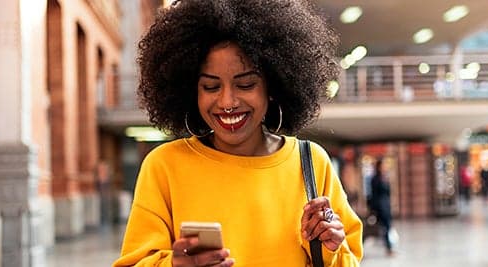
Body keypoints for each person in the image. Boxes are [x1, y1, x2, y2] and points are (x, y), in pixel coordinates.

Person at [112, 1, 363, 266]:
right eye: (210, 87)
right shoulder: (164, 166)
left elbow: (347, 258)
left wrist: (329, 248)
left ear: (274, 85)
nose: (227, 102)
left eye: (246, 84)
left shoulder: (311, 162)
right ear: (190, 90)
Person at [367, 158, 394, 255]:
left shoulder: (384, 177)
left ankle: (389, 247)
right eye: (383, 165)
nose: (384, 167)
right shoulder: (375, 179)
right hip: (380, 207)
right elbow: (373, 194)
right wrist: (373, 210)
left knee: (387, 227)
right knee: (384, 227)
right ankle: (389, 247)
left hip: (386, 206)